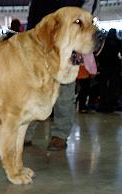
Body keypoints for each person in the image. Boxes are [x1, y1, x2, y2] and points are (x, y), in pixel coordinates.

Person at [24, 0, 100, 151]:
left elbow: (87, 13)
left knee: (64, 93)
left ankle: (60, 135)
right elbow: (32, 18)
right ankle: (25, 133)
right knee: (34, 92)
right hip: (41, 45)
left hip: (67, 45)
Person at [97, 28, 122, 113]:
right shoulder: (118, 42)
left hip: (104, 68)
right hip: (115, 68)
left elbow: (99, 54)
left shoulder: (103, 43)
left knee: (103, 87)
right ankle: (110, 106)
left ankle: (102, 105)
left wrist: (100, 65)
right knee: (113, 87)